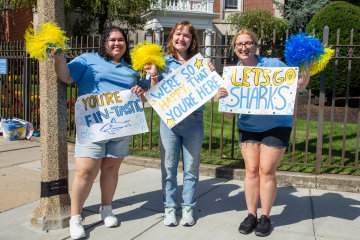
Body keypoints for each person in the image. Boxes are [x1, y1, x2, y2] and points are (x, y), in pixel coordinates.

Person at [53, 26, 148, 239]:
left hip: (121, 126)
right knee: (86, 170)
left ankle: (106, 208)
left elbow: (145, 93)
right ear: (104, 42)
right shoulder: (88, 59)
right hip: (93, 126)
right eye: (112, 39)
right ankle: (75, 217)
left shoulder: (132, 67)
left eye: (121, 40)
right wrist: (59, 59)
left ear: (126, 43)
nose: (117, 43)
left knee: (111, 169)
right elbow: (65, 76)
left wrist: (140, 90)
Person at [217, 29, 311, 237]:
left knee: (266, 171)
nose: (244, 47)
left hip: (277, 125)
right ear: (234, 48)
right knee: (251, 170)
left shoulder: (273, 65)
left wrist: (307, 64)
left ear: (256, 46)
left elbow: (299, 85)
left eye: (249, 43)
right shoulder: (233, 74)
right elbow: (228, 116)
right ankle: (251, 215)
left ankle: (265, 217)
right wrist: (222, 97)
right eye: (240, 44)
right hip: (248, 126)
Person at [144, 21, 215, 226]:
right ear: (171, 37)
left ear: (192, 40)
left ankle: (188, 209)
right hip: (169, 121)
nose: (181, 38)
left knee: (191, 168)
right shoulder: (162, 63)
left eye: (186, 35)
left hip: (194, 120)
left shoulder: (200, 64)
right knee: (169, 168)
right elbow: (153, 94)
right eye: (178, 34)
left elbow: (210, 89)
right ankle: (169, 208)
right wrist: (154, 74)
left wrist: (210, 73)